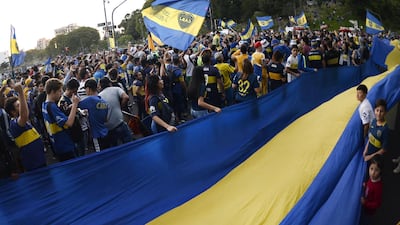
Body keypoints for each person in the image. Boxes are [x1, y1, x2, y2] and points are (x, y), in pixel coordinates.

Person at [5, 83, 46, 171]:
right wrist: (20, 93)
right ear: (13, 112)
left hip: (39, 160)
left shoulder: (21, 122)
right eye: (18, 106)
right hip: (33, 163)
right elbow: (24, 115)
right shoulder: (14, 124)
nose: (21, 107)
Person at [42, 78, 80, 162]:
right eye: (59, 91)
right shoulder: (51, 106)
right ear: (52, 91)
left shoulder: (44, 104)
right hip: (64, 145)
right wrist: (74, 105)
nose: (61, 93)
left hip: (56, 144)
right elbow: (69, 123)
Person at [98, 77, 132, 146]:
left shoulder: (99, 96)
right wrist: (121, 107)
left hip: (108, 127)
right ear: (110, 83)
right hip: (119, 122)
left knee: (115, 147)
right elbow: (126, 97)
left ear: (101, 86)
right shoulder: (116, 89)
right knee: (129, 144)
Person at [79, 79, 110, 152]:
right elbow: (106, 119)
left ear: (88, 89)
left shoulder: (90, 100)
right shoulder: (104, 102)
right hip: (105, 132)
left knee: (100, 156)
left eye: (85, 89)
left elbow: (76, 104)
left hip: (96, 134)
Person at [360, 155, 383, 224]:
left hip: (370, 210)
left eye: (376, 170)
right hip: (366, 203)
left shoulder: (378, 187)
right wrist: (366, 184)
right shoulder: (372, 178)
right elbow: (370, 183)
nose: (372, 173)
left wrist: (366, 203)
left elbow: (377, 204)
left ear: (380, 172)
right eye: (371, 168)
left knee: (367, 220)